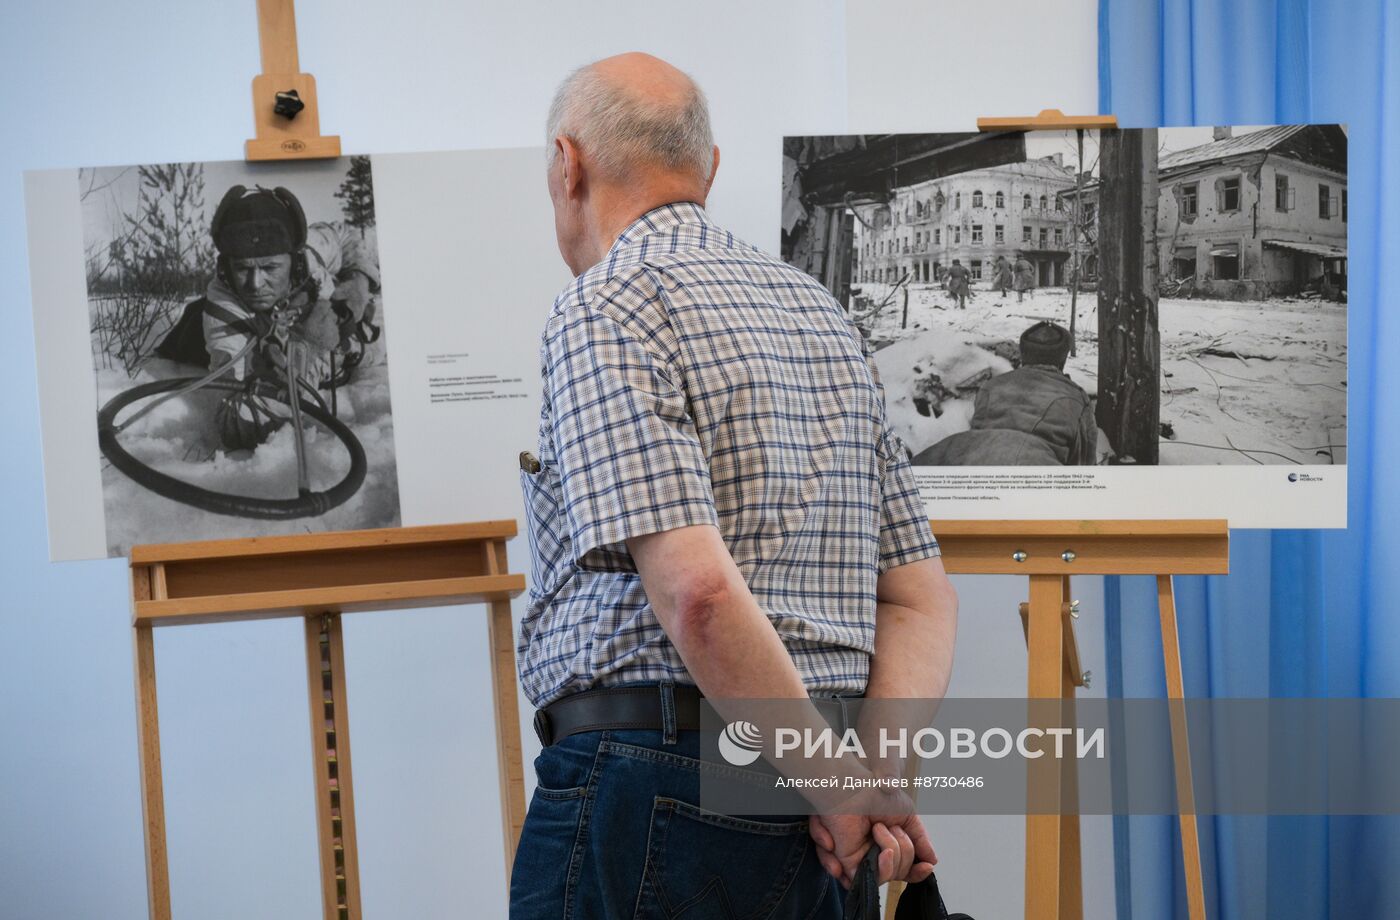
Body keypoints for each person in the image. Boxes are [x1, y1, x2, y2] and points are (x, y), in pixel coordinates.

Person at [513, 52, 957, 919]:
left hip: (659, 778)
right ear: (709, 168)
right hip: (820, 796)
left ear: (568, 165)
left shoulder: (609, 303)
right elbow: (919, 597)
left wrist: (838, 789)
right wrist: (866, 780)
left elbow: (701, 598)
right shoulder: (820, 312)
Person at [155, 185, 380, 449]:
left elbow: (345, 235)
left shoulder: (312, 249)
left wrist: (358, 281)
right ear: (226, 267)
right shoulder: (223, 311)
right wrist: (309, 348)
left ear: (295, 260)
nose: (255, 283)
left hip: (325, 325)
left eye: (270, 267)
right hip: (225, 338)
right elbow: (236, 424)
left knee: (373, 350)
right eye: (242, 268)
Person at [915, 321, 1097, 466]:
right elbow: (1083, 466)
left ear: (1024, 354)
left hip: (956, 454)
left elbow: (980, 428)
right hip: (1033, 467)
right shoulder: (1076, 397)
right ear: (1063, 359)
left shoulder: (992, 385)